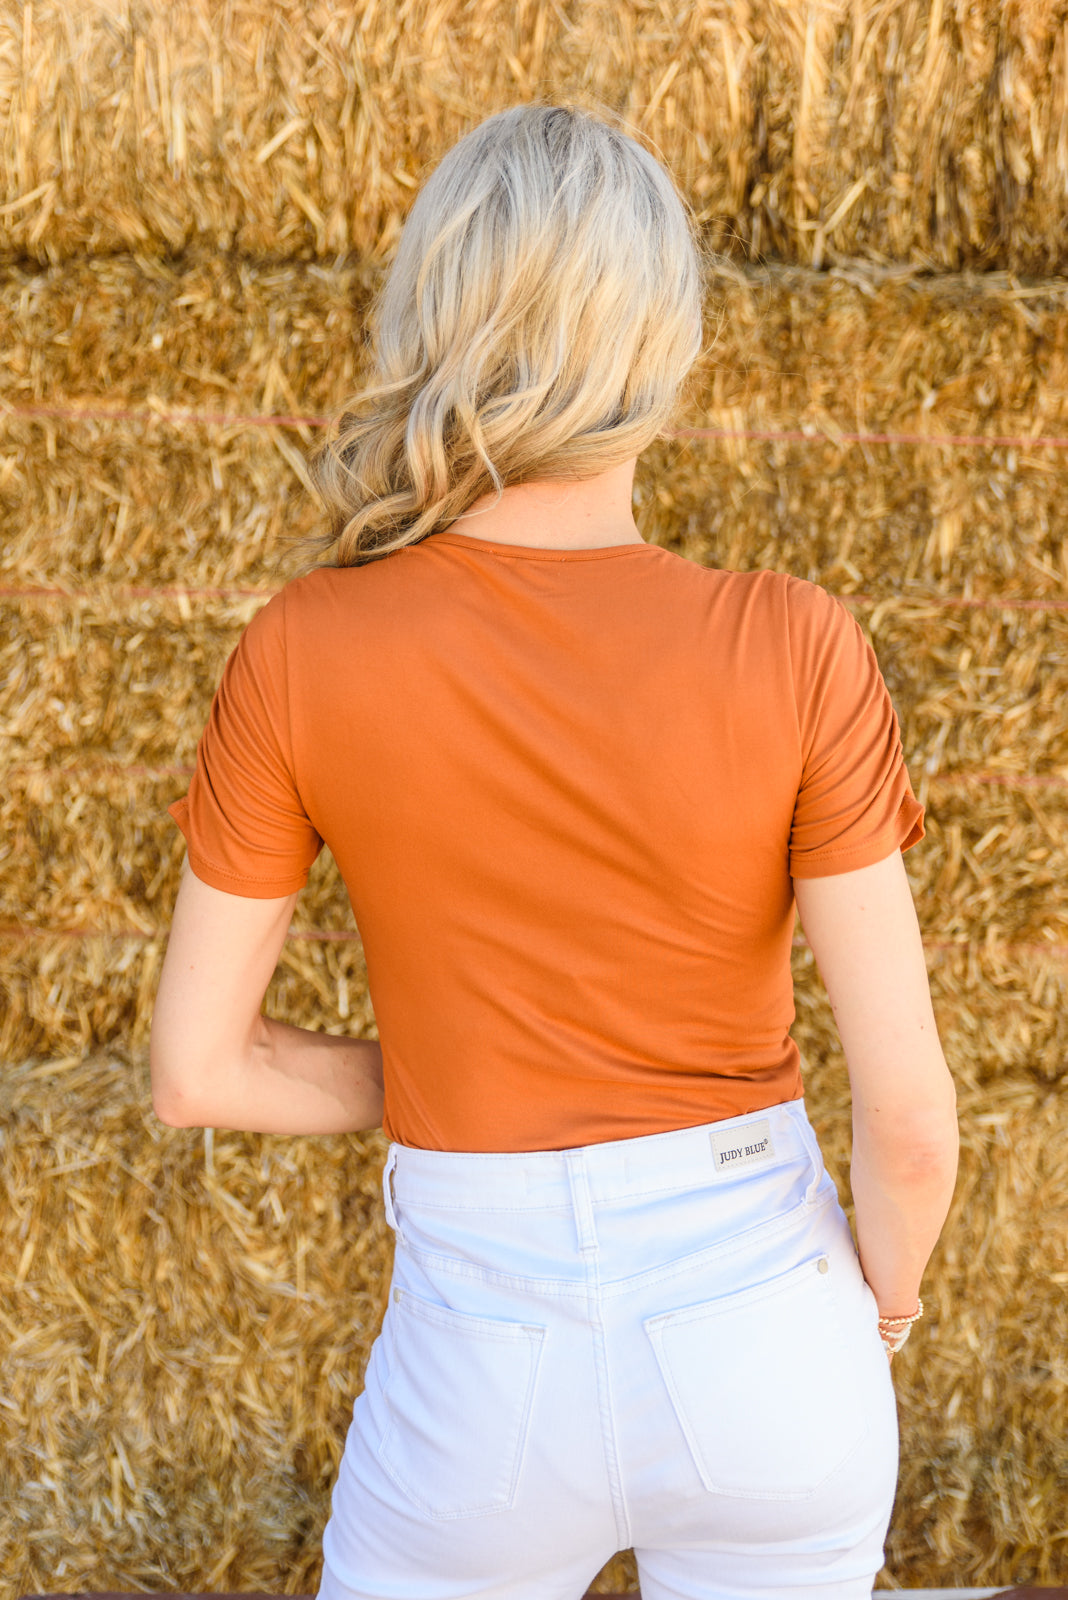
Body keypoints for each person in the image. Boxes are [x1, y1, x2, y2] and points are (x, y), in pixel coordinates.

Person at [150, 101, 959, 1600]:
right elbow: (909, 1125)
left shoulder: (304, 649)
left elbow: (200, 1072)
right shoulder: (794, 642)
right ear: (664, 344)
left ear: (430, 320)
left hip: (480, 1368)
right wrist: (882, 1316)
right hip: (769, 1339)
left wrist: (471, 1067)